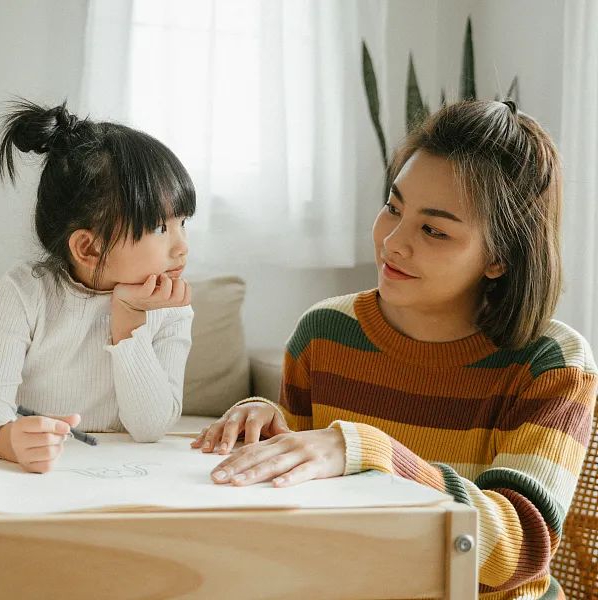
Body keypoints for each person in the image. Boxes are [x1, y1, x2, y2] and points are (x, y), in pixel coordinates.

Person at [193, 100, 597, 599]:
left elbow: (516, 552)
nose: (393, 242)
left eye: (434, 229)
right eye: (393, 207)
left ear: (499, 257)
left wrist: (372, 451)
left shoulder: (552, 363)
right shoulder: (325, 333)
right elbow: (293, 490)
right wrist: (260, 421)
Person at [0, 98, 195, 473]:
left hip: (122, 476)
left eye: (183, 222)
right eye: (159, 228)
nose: (182, 246)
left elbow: (150, 428)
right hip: (41, 477)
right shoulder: (26, 291)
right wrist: (9, 440)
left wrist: (129, 322)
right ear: (88, 247)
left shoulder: (172, 307)